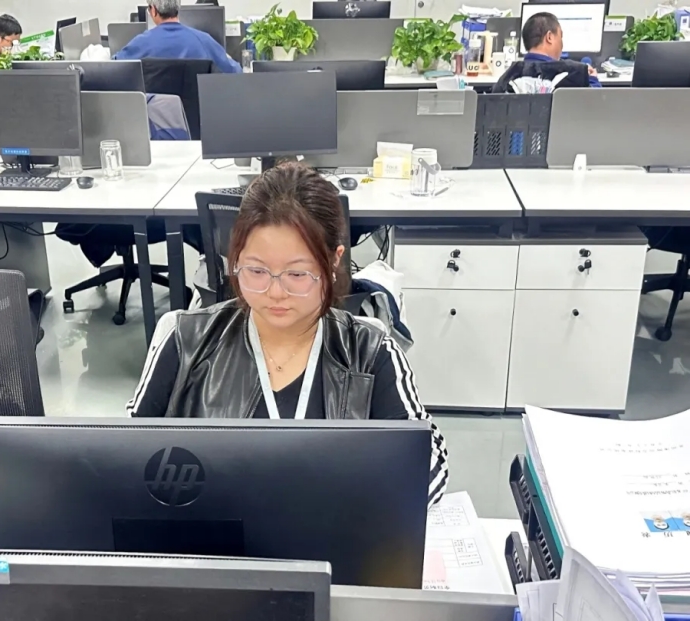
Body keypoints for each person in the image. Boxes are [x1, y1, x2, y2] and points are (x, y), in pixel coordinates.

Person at [127, 162, 449, 507]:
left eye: (297, 274)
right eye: (256, 271)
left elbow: (429, 466)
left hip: (329, 534)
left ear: (333, 261)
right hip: (216, 533)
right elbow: (123, 458)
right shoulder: (185, 340)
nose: (275, 292)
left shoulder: (370, 351)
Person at [113, 0, 241, 73]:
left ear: (153, 10)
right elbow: (236, 72)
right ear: (178, 8)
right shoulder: (203, 41)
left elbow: (112, 69)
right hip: (196, 111)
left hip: (155, 112)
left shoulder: (141, 43)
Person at [493, 12, 600, 92]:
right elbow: (596, 104)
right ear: (549, 37)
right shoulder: (576, 73)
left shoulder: (506, 78)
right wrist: (593, 80)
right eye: (560, 36)